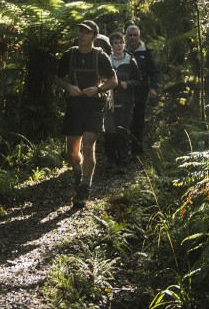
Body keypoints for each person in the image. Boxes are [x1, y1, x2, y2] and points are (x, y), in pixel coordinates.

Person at [54, 20, 118, 207]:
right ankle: (78, 175)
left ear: (94, 37)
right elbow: (57, 78)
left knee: (89, 146)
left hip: (94, 106)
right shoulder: (69, 55)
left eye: (87, 33)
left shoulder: (100, 57)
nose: (81, 35)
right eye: (80, 32)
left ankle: (85, 187)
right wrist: (68, 86)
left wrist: (98, 89)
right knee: (72, 153)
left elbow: (113, 80)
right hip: (74, 106)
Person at [104, 31, 141, 174]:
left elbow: (138, 81)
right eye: (115, 43)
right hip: (109, 102)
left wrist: (128, 84)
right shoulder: (106, 60)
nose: (119, 45)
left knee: (122, 131)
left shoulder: (130, 60)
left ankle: (123, 161)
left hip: (126, 101)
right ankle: (110, 159)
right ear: (111, 46)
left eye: (121, 42)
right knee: (110, 132)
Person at [125, 24, 160, 158]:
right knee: (123, 119)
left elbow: (154, 72)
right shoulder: (120, 51)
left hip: (141, 89)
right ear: (126, 36)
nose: (133, 38)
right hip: (123, 90)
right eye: (130, 35)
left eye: (135, 35)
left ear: (139, 36)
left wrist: (153, 87)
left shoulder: (146, 52)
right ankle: (122, 149)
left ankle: (136, 150)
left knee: (138, 118)